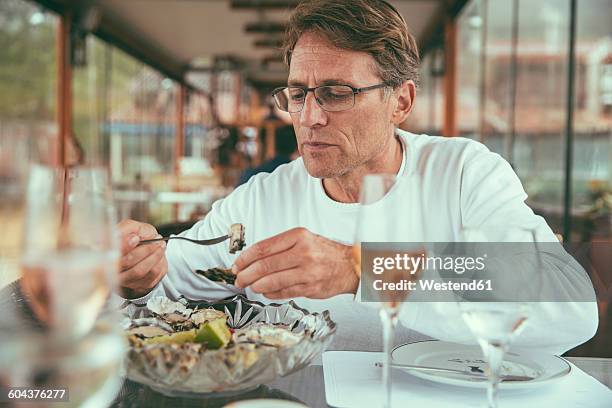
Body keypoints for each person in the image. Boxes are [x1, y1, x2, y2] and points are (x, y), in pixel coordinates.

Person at [117, 0, 597, 354]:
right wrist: (136, 273)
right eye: (298, 94)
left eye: (337, 93)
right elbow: (172, 279)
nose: (309, 118)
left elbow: (568, 307)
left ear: (401, 102)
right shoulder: (262, 200)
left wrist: (361, 268)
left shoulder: (463, 173)